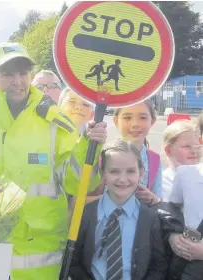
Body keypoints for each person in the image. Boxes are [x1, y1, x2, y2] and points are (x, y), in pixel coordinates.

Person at [0, 42, 107, 279]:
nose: (17, 81)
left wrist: (87, 146)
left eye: (23, 73)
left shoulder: (54, 120)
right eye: (8, 74)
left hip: (42, 250)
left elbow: (76, 184)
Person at [69, 138, 167, 279]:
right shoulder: (86, 213)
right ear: (103, 174)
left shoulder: (150, 218)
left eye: (130, 171)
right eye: (114, 171)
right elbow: (73, 261)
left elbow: (159, 265)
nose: (122, 179)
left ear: (141, 172)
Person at [89, 100, 162, 206]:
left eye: (143, 117)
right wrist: (114, 199)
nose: (135, 124)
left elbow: (159, 200)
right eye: (127, 117)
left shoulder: (154, 160)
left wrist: (153, 199)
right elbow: (80, 201)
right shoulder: (102, 157)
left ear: (152, 121)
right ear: (115, 121)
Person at [162, 120, 201, 201]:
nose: (194, 151)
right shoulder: (162, 184)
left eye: (197, 146)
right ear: (168, 150)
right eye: (187, 146)